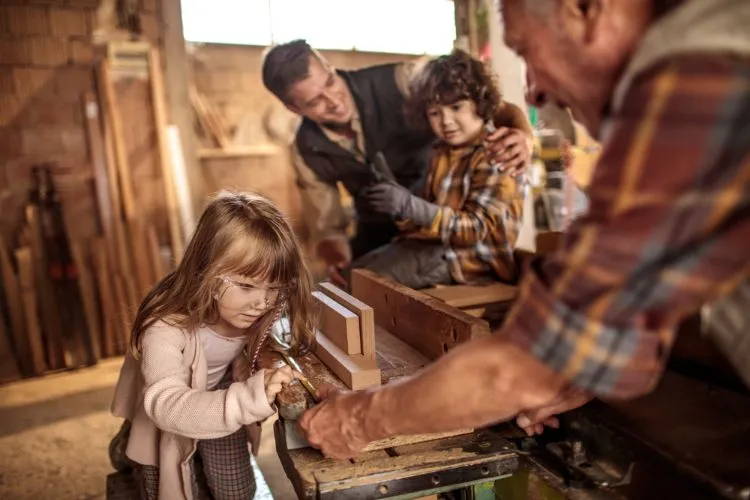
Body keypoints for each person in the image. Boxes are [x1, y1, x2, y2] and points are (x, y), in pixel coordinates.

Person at [297, 0, 750, 460]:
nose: (531, 93)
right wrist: (581, 363)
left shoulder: (695, 78)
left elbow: (516, 370)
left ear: (585, 9)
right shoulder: (708, 58)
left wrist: (358, 419)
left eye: (526, 51)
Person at [261, 40, 533, 286]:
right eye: (315, 101)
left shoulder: (402, 79)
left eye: (330, 83)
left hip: (447, 241)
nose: (333, 101)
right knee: (343, 284)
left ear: (330, 68)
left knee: (367, 287)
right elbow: (328, 228)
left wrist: (523, 135)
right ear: (295, 109)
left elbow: (482, 97)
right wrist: (338, 261)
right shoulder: (306, 149)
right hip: (396, 233)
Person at [109, 191, 315, 499]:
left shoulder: (258, 307)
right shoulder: (164, 326)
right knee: (165, 483)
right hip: (165, 410)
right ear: (206, 270)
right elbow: (165, 405)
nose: (262, 302)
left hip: (220, 393)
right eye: (246, 286)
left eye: (274, 288)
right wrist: (249, 398)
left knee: (236, 490)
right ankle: (126, 443)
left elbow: (283, 331)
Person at [350, 49, 523, 289]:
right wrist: (401, 209)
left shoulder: (496, 152)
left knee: (360, 286)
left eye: (456, 107)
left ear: (480, 102)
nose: (446, 121)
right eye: (435, 112)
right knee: (349, 275)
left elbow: (475, 230)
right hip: (433, 246)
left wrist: (410, 205)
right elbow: (424, 222)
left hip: (469, 260)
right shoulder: (440, 151)